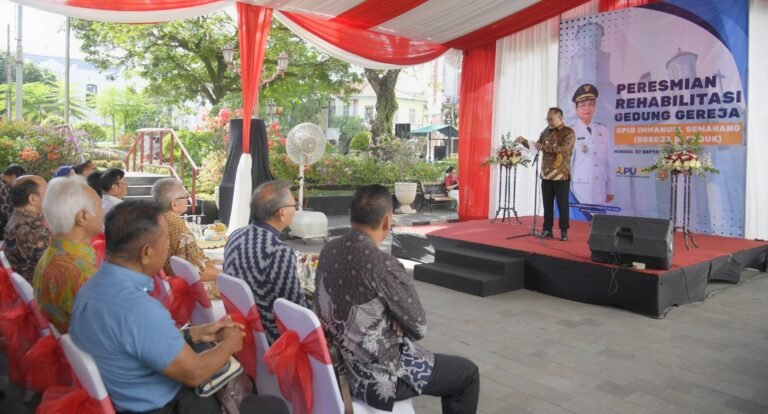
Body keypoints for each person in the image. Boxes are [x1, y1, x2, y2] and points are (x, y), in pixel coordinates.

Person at [70, 200, 287, 414]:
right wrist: (230, 344)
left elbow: (137, 341)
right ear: (146, 253)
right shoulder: (138, 309)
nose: (168, 246)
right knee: (272, 406)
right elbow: (195, 373)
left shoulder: (91, 288)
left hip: (127, 394)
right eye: (166, 240)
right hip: (164, 406)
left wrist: (197, 334)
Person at [314, 185, 480, 413]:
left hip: (339, 366)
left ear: (351, 215)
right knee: (467, 374)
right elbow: (418, 326)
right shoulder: (382, 263)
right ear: (387, 221)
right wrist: (395, 317)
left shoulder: (329, 250)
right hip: (381, 375)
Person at [223, 180, 307, 344]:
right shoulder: (278, 250)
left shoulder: (235, 235)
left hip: (242, 328)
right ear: (282, 212)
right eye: (294, 205)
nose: (295, 210)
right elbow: (297, 310)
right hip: (271, 339)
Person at [33, 176, 103, 333]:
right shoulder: (83, 274)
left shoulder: (51, 256)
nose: (103, 211)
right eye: (99, 205)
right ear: (83, 217)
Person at [518, 107, 576, 241]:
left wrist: (543, 147)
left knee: (562, 205)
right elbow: (536, 146)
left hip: (561, 174)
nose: (549, 121)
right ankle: (547, 230)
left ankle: (563, 231)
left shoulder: (568, 132)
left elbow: (565, 149)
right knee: (547, 204)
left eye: (551, 118)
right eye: (547, 118)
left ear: (560, 118)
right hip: (546, 174)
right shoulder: (546, 131)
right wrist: (525, 142)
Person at [152, 178, 220, 284]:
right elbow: (198, 268)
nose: (188, 200)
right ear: (174, 204)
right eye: (185, 197)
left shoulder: (157, 217)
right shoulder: (176, 224)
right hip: (184, 283)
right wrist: (226, 274)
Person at [570, 83, 614, 206]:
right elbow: (566, 165)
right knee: (580, 224)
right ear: (576, 109)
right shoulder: (569, 132)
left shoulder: (604, 130)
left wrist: (610, 189)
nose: (587, 108)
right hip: (579, 190)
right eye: (583, 105)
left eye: (591, 104)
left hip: (600, 188)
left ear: (595, 107)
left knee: (598, 224)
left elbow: (608, 162)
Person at [4, 175, 51, 282]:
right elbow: (52, 267)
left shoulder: (17, 218)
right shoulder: (35, 228)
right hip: (40, 287)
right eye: (47, 192)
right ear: (33, 199)